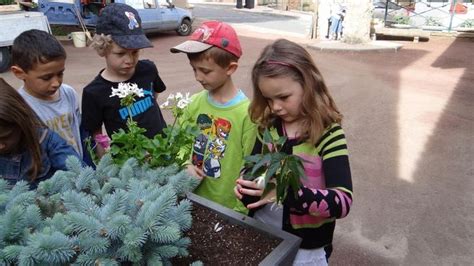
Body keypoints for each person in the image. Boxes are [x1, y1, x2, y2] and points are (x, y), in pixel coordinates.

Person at [234, 39, 353, 265]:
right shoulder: (268, 127)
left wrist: (283, 193)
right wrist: (245, 185)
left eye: (283, 97)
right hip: (263, 233)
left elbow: (343, 201)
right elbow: (251, 167)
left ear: (308, 84)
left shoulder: (328, 135)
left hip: (307, 247)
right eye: (268, 99)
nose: (275, 107)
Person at [170, 20, 257, 213]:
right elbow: (180, 142)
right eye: (194, 69)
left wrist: (240, 212)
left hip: (227, 208)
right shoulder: (195, 103)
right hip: (190, 198)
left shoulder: (247, 114)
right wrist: (185, 164)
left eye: (205, 71)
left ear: (230, 68)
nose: (198, 77)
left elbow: (250, 166)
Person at [81, 3, 167, 157]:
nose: (129, 60)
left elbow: (154, 95)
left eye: (135, 52)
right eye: (121, 53)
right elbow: (96, 133)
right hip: (128, 162)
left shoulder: (148, 69)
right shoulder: (93, 92)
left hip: (163, 148)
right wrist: (105, 166)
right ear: (102, 48)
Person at [10, 29, 83, 158]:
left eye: (60, 74)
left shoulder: (69, 93)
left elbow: (78, 130)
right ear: (19, 73)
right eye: (46, 77)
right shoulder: (20, 107)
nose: (56, 83)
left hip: (78, 169)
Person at [0, 78, 81, 189]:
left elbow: (81, 176)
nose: (1, 145)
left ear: (21, 122)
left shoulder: (45, 140)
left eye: (5, 137)